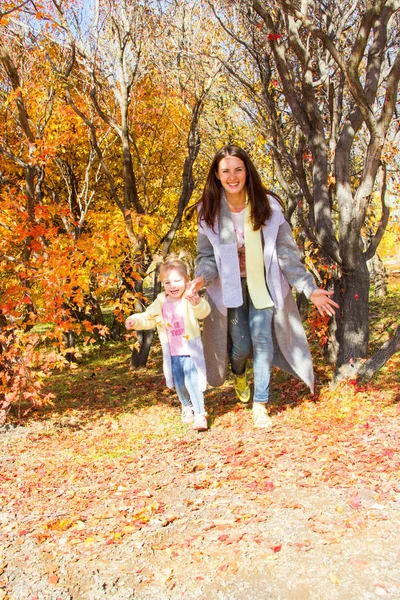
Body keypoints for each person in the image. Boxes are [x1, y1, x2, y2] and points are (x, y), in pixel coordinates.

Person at [188, 145, 339, 429]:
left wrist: (310, 288)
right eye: (226, 171)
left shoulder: (268, 206)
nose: (233, 176)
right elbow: (206, 259)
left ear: (247, 171)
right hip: (229, 290)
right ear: (217, 176)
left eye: (238, 169)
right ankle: (239, 373)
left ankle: (260, 404)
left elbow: (287, 254)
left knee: (263, 341)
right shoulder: (207, 212)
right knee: (242, 346)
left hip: (264, 286)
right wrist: (199, 280)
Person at [126, 258, 211, 431]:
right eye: (167, 282)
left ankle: (200, 414)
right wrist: (135, 320)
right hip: (172, 353)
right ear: (162, 284)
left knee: (192, 382)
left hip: (190, 351)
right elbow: (148, 318)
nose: (173, 285)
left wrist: (196, 303)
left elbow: (204, 312)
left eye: (177, 281)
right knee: (179, 384)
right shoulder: (161, 302)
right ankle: (187, 406)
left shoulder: (188, 298)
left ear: (187, 280)